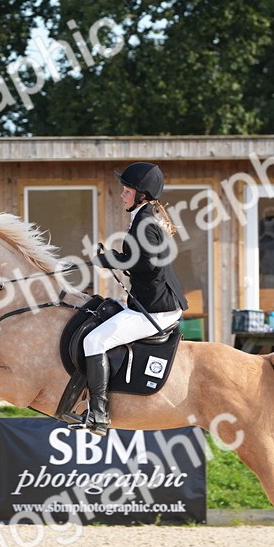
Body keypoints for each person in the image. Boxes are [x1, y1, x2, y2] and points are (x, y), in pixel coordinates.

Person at [72, 162, 188, 435]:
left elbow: (146, 265)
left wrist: (109, 259)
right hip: (151, 301)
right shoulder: (144, 218)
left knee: (94, 340)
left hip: (156, 310)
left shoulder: (145, 223)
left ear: (142, 195)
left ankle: (99, 415)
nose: (123, 195)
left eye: (127, 190)